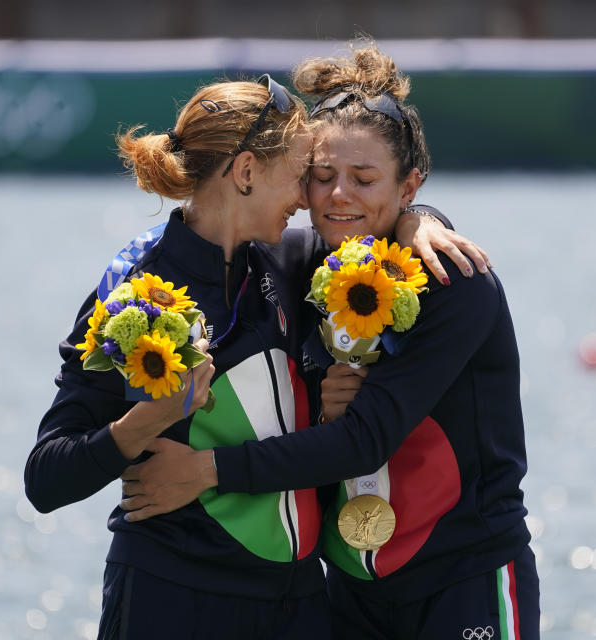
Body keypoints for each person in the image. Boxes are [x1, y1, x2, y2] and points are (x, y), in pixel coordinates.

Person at [24, 72, 488, 639]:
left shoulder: (292, 264)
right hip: (170, 598)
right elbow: (46, 478)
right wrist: (146, 423)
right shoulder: (131, 292)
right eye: (301, 176)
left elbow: (377, 218)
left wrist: (424, 218)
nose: (307, 198)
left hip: (300, 607)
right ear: (246, 173)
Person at [118, 43, 540, 640]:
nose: (339, 196)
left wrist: (207, 470)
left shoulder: (456, 282)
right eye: (322, 177)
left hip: (463, 579)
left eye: (364, 179)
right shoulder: (291, 264)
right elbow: (215, 236)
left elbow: (365, 440)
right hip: (347, 596)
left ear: (408, 185)